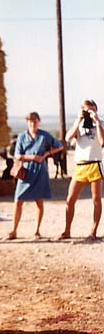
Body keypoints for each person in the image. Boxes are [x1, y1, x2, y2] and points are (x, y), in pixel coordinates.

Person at [5, 112, 63, 240]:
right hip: (25, 172)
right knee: (18, 200)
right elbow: (17, 155)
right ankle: (13, 231)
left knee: (39, 201)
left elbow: (59, 146)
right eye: (30, 121)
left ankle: (37, 231)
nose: (33, 124)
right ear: (27, 123)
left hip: (40, 171)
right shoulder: (21, 137)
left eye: (35, 121)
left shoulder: (44, 135)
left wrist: (46, 154)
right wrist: (33, 157)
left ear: (39, 121)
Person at [58, 100, 104, 241]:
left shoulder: (100, 122)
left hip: (95, 163)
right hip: (80, 165)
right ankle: (67, 230)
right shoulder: (78, 124)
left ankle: (93, 231)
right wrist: (79, 119)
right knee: (70, 199)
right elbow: (67, 138)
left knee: (96, 199)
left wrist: (97, 121)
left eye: (92, 110)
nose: (89, 113)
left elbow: (102, 141)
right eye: (86, 110)